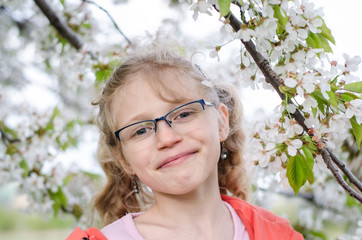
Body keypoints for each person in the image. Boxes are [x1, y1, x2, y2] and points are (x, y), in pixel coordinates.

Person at [66, 45, 304, 240]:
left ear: (221, 122)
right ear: (123, 159)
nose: (167, 138)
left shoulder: (278, 235)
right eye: (140, 131)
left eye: (183, 114)